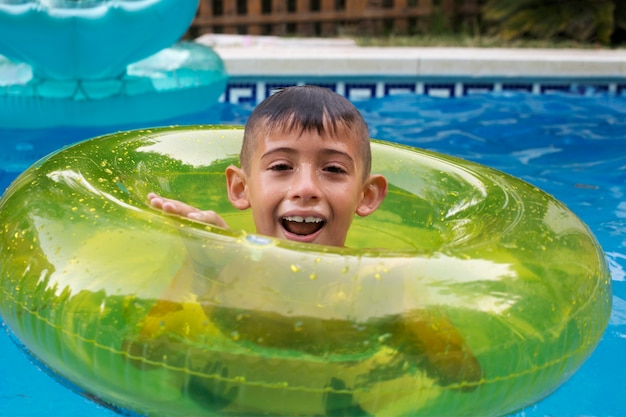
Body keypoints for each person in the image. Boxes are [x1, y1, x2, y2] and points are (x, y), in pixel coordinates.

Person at [148, 85, 388, 247]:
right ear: (241, 188)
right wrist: (212, 263)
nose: (305, 188)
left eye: (334, 169)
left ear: (366, 195)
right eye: (281, 166)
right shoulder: (228, 266)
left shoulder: (383, 277)